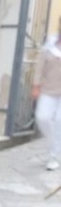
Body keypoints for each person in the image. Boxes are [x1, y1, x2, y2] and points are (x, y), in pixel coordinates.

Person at [33, 18, 61, 171]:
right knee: (42, 117)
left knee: (59, 121)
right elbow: (40, 66)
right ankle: (55, 144)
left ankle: (54, 156)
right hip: (48, 89)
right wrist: (36, 85)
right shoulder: (50, 43)